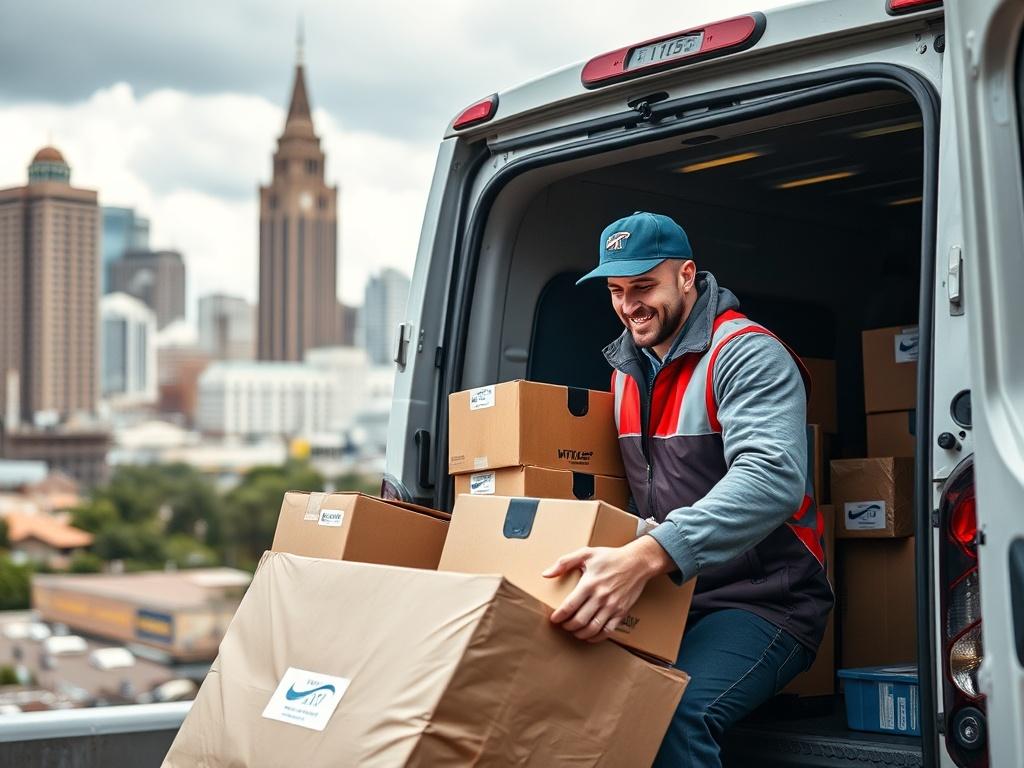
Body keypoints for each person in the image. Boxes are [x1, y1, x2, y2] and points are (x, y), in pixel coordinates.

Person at [542, 211, 833, 767]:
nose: (629, 305)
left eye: (643, 286)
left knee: (671, 713)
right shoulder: (626, 373)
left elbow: (771, 478)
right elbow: (639, 495)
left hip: (765, 603)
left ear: (686, 275)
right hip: (673, 598)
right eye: (616, 291)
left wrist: (647, 555)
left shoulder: (745, 353)